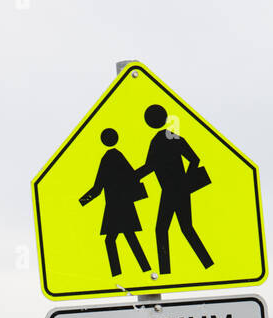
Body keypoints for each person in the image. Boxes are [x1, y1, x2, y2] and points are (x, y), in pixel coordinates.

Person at [134, 104, 213, 275]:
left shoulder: (157, 141)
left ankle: (165, 272)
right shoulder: (174, 138)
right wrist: (186, 181)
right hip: (181, 190)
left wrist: (132, 176)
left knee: (162, 229)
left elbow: (149, 167)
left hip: (170, 192)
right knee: (186, 228)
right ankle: (208, 263)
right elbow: (195, 160)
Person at [79, 128, 151, 276]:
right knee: (128, 237)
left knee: (113, 240)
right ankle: (144, 269)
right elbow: (133, 176)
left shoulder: (108, 158)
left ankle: (119, 273)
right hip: (123, 205)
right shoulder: (118, 156)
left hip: (115, 208)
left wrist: (81, 202)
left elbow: (97, 188)